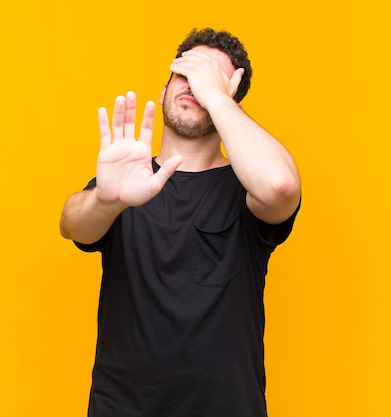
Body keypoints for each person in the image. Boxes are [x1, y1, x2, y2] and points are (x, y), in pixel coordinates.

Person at [59, 28, 301, 417]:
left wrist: (218, 99)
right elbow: (72, 224)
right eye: (185, 73)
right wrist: (106, 200)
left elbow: (279, 186)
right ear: (164, 87)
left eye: (211, 79)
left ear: (230, 99)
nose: (194, 86)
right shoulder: (127, 179)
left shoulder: (247, 187)